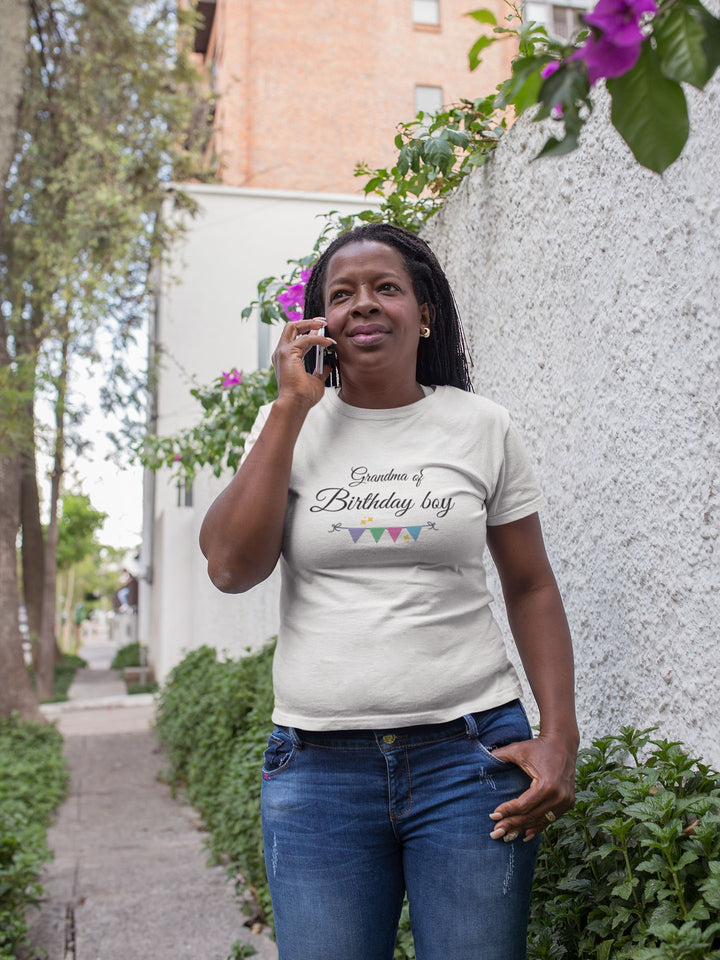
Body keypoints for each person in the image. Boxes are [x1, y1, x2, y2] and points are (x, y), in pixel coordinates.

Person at [199, 223, 579, 960]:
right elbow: (229, 567)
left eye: (386, 288)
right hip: (316, 776)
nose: (363, 306)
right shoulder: (288, 427)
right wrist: (287, 408)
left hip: (471, 762)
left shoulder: (482, 427)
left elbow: (530, 585)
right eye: (342, 295)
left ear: (424, 311)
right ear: (318, 324)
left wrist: (559, 734)